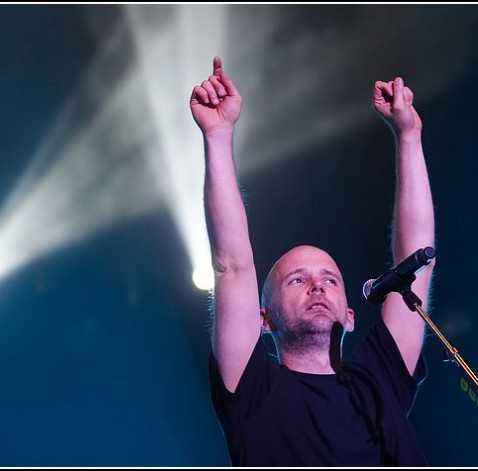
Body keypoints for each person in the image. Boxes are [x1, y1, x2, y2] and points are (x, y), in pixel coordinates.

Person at [190, 56, 435, 466]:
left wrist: (409, 135)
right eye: (296, 280)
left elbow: (416, 261)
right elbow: (232, 264)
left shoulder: (378, 382)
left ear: (351, 315)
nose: (317, 286)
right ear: (262, 319)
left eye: (331, 280)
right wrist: (217, 137)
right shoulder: (253, 390)